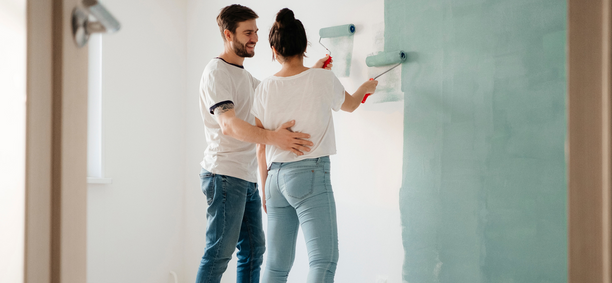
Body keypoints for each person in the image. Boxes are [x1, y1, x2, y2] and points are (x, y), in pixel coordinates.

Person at [196, 4, 332, 283]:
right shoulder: (216, 72)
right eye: (247, 32)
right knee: (219, 253)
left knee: (254, 251)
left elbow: (281, 89)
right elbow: (229, 124)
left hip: (245, 178)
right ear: (227, 34)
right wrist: (274, 137)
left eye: (256, 32)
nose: (255, 38)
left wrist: (312, 72)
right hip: (223, 174)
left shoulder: (247, 78)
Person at [252, 8, 378, 283]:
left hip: (273, 179)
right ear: (305, 45)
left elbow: (260, 145)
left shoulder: (263, 87)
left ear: (274, 49)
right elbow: (351, 104)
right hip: (309, 176)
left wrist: (264, 190)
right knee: (323, 260)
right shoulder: (322, 79)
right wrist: (366, 87)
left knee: (275, 266)